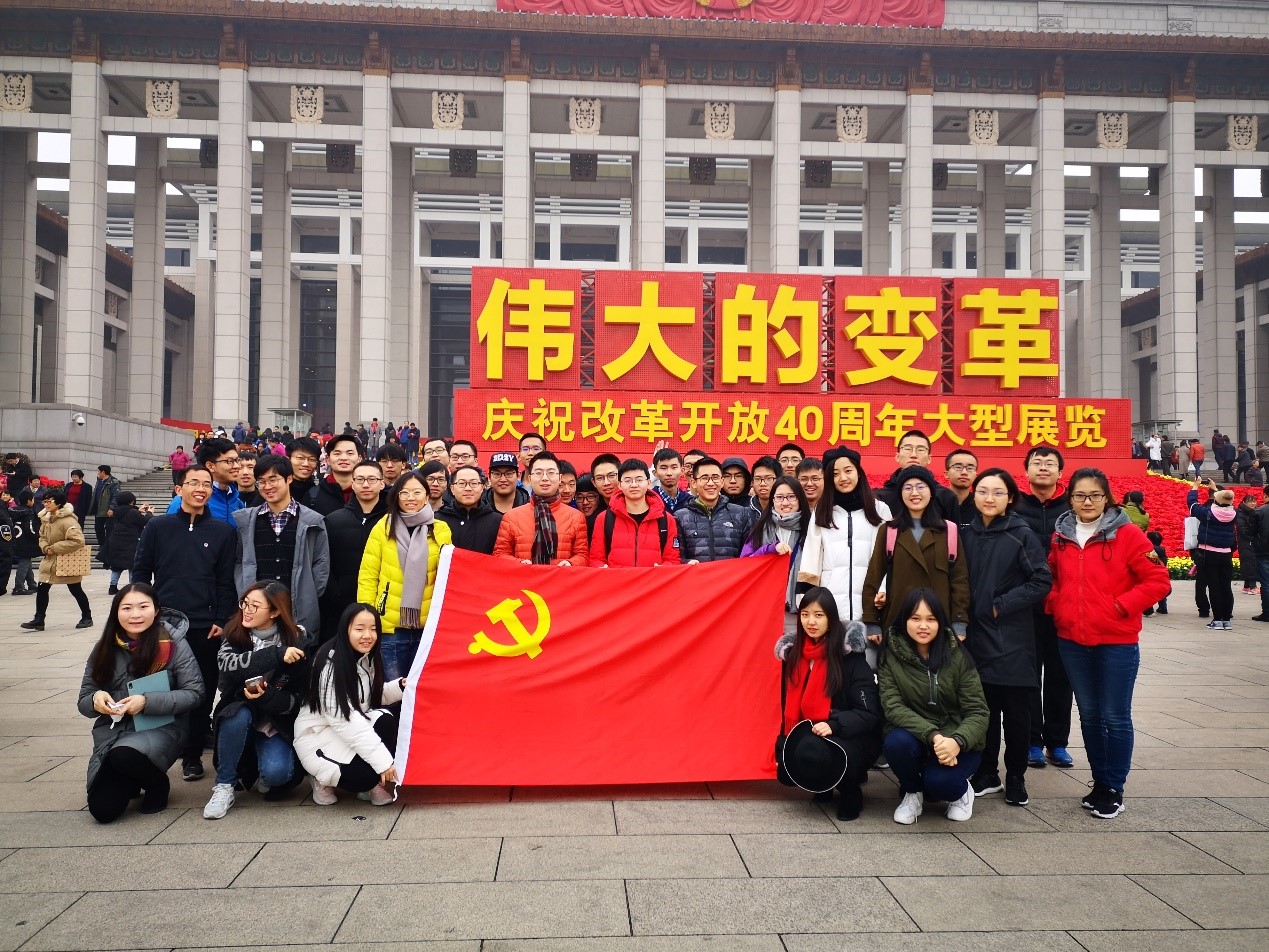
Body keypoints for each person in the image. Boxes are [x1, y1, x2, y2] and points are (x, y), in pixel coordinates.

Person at [1046, 468, 1171, 819]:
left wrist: (1119, 607)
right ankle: (1100, 782)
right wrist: (1057, 605)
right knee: (1089, 714)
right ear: (1070, 499)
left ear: (1107, 498)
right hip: (1072, 640)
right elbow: (1052, 578)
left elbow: (1158, 580)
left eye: (1095, 495)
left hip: (1117, 641)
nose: (1087, 502)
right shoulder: (1061, 536)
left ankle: (1114, 786)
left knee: (1114, 716)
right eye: (1080, 495)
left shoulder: (1129, 534)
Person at [133, 465, 239, 781]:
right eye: (193, 483)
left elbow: (225, 581)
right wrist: (143, 614)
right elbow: (141, 572)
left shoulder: (223, 531)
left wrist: (222, 619)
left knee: (201, 691)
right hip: (162, 625)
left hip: (205, 626)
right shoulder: (158, 527)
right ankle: (150, 756)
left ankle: (192, 755)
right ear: (179, 489)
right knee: (156, 688)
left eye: (206, 484)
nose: (200, 489)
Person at [962, 469, 1052, 808]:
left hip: (1010, 638)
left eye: (998, 492)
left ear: (1010, 498)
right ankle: (987, 773)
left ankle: (1016, 777)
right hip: (974, 638)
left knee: (1016, 714)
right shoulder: (966, 534)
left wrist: (1001, 604)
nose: (989, 498)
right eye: (983, 491)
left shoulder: (1020, 533)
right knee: (983, 711)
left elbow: (1041, 579)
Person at [77, 583, 204, 822]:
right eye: (127, 608)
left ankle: (157, 784)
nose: (135, 614)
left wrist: (146, 702)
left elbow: (195, 693)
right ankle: (133, 777)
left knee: (123, 756)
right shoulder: (105, 646)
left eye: (143, 607)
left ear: (156, 610)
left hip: (162, 726)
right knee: (102, 810)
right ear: (116, 612)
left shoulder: (173, 643)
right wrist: (95, 700)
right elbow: (84, 698)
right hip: (113, 732)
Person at [203, 581, 315, 819]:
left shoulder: (297, 639)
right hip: (238, 712)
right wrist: (276, 655)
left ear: (275, 612)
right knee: (238, 713)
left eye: (255, 606)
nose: (247, 610)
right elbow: (228, 665)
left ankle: (256, 765)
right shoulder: (234, 633)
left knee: (277, 774)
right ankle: (224, 785)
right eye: (245, 603)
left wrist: (268, 696)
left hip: (275, 722)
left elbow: (298, 698)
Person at [879, 587, 988, 825]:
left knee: (940, 785)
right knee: (896, 742)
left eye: (930, 619)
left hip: (958, 739)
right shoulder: (890, 656)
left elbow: (978, 712)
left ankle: (962, 793)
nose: (923, 626)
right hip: (918, 736)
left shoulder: (957, 656)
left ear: (940, 622)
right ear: (904, 620)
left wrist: (956, 741)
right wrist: (934, 736)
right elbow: (893, 707)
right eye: (915, 618)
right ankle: (912, 793)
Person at [775, 587, 882, 821]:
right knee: (788, 758)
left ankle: (850, 791)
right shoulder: (795, 655)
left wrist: (834, 724)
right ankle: (822, 783)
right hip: (813, 732)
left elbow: (869, 714)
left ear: (831, 618)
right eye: (805, 615)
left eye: (818, 615)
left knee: (817, 750)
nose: (811, 622)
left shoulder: (850, 658)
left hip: (852, 735)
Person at [294, 603, 404, 806]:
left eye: (373, 629)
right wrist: (383, 763)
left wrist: (401, 687)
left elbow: (369, 697)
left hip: (344, 730)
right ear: (345, 629)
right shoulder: (329, 665)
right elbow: (346, 721)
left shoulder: (366, 658)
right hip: (317, 738)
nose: (367, 635)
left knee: (385, 719)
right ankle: (321, 780)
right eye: (360, 629)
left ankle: (369, 784)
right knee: (364, 777)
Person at [861, 465, 970, 651]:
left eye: (921, 487)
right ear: (900, 493)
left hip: (938, 622)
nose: (914, 493)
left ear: (931, 492)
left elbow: (959, 580)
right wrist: (872, 621)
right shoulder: (889, 531)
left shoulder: (948, 531)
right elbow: (873, 577)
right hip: (897, 621)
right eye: (907, 487)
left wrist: (959, 621)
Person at [359, 470, 453, 680]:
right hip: (391, 627)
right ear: (396, 496)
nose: (411, 498)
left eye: (417, 492)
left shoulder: (440, 529)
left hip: (428, 627)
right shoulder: (383, 527)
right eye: (404, 493)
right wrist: (367, 617)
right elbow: (368, 575)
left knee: (421, 688)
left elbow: (446, 574)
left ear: (427, 496)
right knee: (392, 688)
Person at [1014, 446, 1075, 770]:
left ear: (1060, 472)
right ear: (1026, 470)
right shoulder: (1014, 505)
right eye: (1036, 463)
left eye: (1049, 463)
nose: (1043, 468)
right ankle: (1032, 742)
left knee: (1060, 678)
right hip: (1024, 607)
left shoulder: (1072, 507)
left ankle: (1057, 743)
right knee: (1027, 678)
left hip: (1063, 606)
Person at [232, 455, 330, 637]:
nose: (267, 486)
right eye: (262, 481)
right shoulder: (246, 521)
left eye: (273, 479)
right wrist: (244, 591)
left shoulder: (313, 521)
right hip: (256, 611)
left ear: (289, 479)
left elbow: (321, 564)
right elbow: (239, 561)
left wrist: (307, 595)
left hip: (297, 610)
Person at [798, 447, 891, 634]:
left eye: (848, 470)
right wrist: (806, 603)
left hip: (872, 606)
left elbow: (890, 557)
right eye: (835, 473)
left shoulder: (880, 510)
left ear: (859, 472)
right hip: (830, 608)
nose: (843, 478)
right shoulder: (822, 511)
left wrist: (884, 589)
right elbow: (810, 558)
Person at [321, 460, 389, 640]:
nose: (366, 484)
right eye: (360, 479)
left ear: (382, 483)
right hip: (340, 605)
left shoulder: (393, 520)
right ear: (352, 483)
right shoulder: (333, 520)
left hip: (384, 605)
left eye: (372, 479)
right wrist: (335, 593)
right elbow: (324, 564)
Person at [742, 476, 811, 637]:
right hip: (766, 607)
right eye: (779, 497)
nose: (785, 502)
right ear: (772, 500)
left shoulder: (811, 529)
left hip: (802, 608)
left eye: (791, 497)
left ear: (800, 499)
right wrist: (769, 550)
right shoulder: (760, 528)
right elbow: (745, 563)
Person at [494, 452, 588, 567]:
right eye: (538, 473)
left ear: (559, 478)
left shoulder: (576, 517)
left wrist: (570, 563)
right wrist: (519, 564)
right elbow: (499, 554)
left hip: (561, 576)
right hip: (524, 577)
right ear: (530, 478)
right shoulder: (511, 517)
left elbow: (582, 555)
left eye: (551, 473)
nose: (545, 478)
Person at [20, 491, 94, 631]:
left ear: (59, 503)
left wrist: (54, 548)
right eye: (44, 502)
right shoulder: (46, 519)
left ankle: (87, 616)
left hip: (66, 560)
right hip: (50, 560)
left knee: (75, 589)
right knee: (42, 588)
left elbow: (78, 541)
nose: (46, 504)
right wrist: (45, 547)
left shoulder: (68, 521)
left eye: (49, 501)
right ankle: (39, 619)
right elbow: (42, 536)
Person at [590, 458, 681, 567]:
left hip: (654, 578)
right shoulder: (604, 518)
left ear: (648, 483)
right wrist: (601, 568)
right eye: (628, 480)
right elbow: (596, 559)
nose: (633, 485)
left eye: (639, 480)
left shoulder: (665, 519)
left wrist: (663, 569)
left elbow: (672, 559)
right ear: (619, 485)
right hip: (617, 578)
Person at [674, 457, 754, 563]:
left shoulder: (741, 514)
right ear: (693, 483)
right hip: (697, 573)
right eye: (704, 478)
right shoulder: (681, 517)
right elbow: (676, 559)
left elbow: (749, 557)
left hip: (732, 574)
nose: (711, 483)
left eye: (715, 477)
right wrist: (686, 562)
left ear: (722, 481)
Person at [873, 431, 961, 523]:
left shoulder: (946, 496)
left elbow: (953, 531)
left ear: (929, 458)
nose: (913, 455)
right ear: (897, 456)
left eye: (921, 450)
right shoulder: (880, 497)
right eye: (907, 449)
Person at [1187, 478, 1237, 630]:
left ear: (1216, 500)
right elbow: (1225, 502)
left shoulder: (1208, 513)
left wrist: (1195, 487)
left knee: (1214, 587)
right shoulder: (1233, 514)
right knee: (1226, 587)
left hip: (1209, 553)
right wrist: (1216, 490)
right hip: (1226, 554)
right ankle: (1227, 620)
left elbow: (1192, 503)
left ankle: (1217, 620)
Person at [164, 438, 244, 527]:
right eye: (230, 461)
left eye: (237, 460)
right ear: (210, 465)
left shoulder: (237, 501)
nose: (237, 466)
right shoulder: (183, 501)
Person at [437, 464, 504, 555]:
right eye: (461, 483)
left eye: (474, 483)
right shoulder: (438, 520)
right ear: (452, 489)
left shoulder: (497, 521)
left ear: (482, 487)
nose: (468, 488)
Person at [304, 434, 364, 516]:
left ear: (359, 459)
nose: (343, 458)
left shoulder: (370, 493)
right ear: (328, 459)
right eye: (337, 453)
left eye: (350, 453)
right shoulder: (313, 495)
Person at [105, 491, 152, 594]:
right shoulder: (133, 512)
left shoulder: (115, 511)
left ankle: (112, 586)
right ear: (131, 501)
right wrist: (149, 513)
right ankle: (133, 586)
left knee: (117, 566)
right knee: (132, 565)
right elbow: (145, 521)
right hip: (130, 541)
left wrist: (138, 510)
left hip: (115, 540)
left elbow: (128, 515)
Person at [8, 490, 39, 596]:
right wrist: (38, 537)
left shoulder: (12, 511)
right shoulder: (28, 513)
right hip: (26, 542)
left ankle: (32, 584)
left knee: (26, 561)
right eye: (33, 499)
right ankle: (18, 586)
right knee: (24, 561)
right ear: (29, 501)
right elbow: (30, 529)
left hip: (15, 540)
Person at [91, 464, 121, 564]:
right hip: (99, 509)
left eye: (99, 471)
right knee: (98, 528)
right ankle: (102, 545)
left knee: (109, 529)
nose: (98, 473)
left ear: (103, 472)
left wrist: (111, 508)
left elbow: (115, 496)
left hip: (108, 510)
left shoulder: (113, 482)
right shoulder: (99, 481)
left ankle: (107, 547)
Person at [943, 450, 979, 526]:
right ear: (946, 474)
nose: (964, 472)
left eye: (970, 468)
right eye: (958, 467)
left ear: (976, 475)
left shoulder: (981, 504)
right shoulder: (936, 503)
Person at [1236, 491, 1262, 596]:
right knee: (1250, 562)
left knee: (1248, 562)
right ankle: (1253, 587)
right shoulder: (1241, 513)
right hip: (1246, 542)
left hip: (1250, 541)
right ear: (1244, 502)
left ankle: (1246, 586)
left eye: (1254, 501)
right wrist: (1252, 537)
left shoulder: (1254, 512)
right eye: (1250, 502)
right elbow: (1241, 529)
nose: (1253, 503)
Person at [652, 448, 692, 514]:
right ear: (655, 473)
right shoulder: (647, 500)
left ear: (682, 471)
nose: (669, 473)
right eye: (663, 468)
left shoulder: (690, 501)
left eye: (674, 467)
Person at [1145, 531, 1170, 617]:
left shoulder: (1150, 551)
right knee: (1161, 592)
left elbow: (1151, 562)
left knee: (1148, 593)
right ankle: (1163, 608)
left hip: (1152, 575)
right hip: (1162, 575)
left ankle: (1149, 610)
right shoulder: (1162, 550)